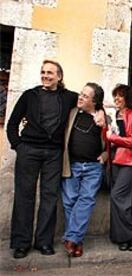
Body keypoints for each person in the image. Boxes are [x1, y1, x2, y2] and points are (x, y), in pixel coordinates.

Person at [7, 60, 84, 259]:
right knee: (25, 195)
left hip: (54, 153)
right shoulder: (29, 95)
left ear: (59, 76)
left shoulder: (69, 97)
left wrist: (101, 113)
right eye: (43, 72)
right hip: (29, 149)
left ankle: (44, 242)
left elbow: (90, 102)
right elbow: (12, 123)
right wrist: (19, 146)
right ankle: (21, 243)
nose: (45, 76)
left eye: (50, 73)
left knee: (49, 197)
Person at [61, 82, 107, 257]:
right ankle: (76, 240)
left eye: (85, 96)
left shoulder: (104, 119)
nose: (80, 97)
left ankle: (72, 239)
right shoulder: (72, 112)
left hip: (93, 167)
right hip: (71, 165)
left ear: (94, 102)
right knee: (69, 201)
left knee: (86, 200)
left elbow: (111, 142)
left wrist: (105, 155)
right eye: (81, 94)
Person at [106, 84, 132, 251]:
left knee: (116, 196)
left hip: (131, 161)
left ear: (127, 97)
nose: (116, 99)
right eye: (115, 96)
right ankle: (122, 237)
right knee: (122, 200)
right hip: (115, 160)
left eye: (120, 95)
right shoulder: (114, 115)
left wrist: (112, 138)